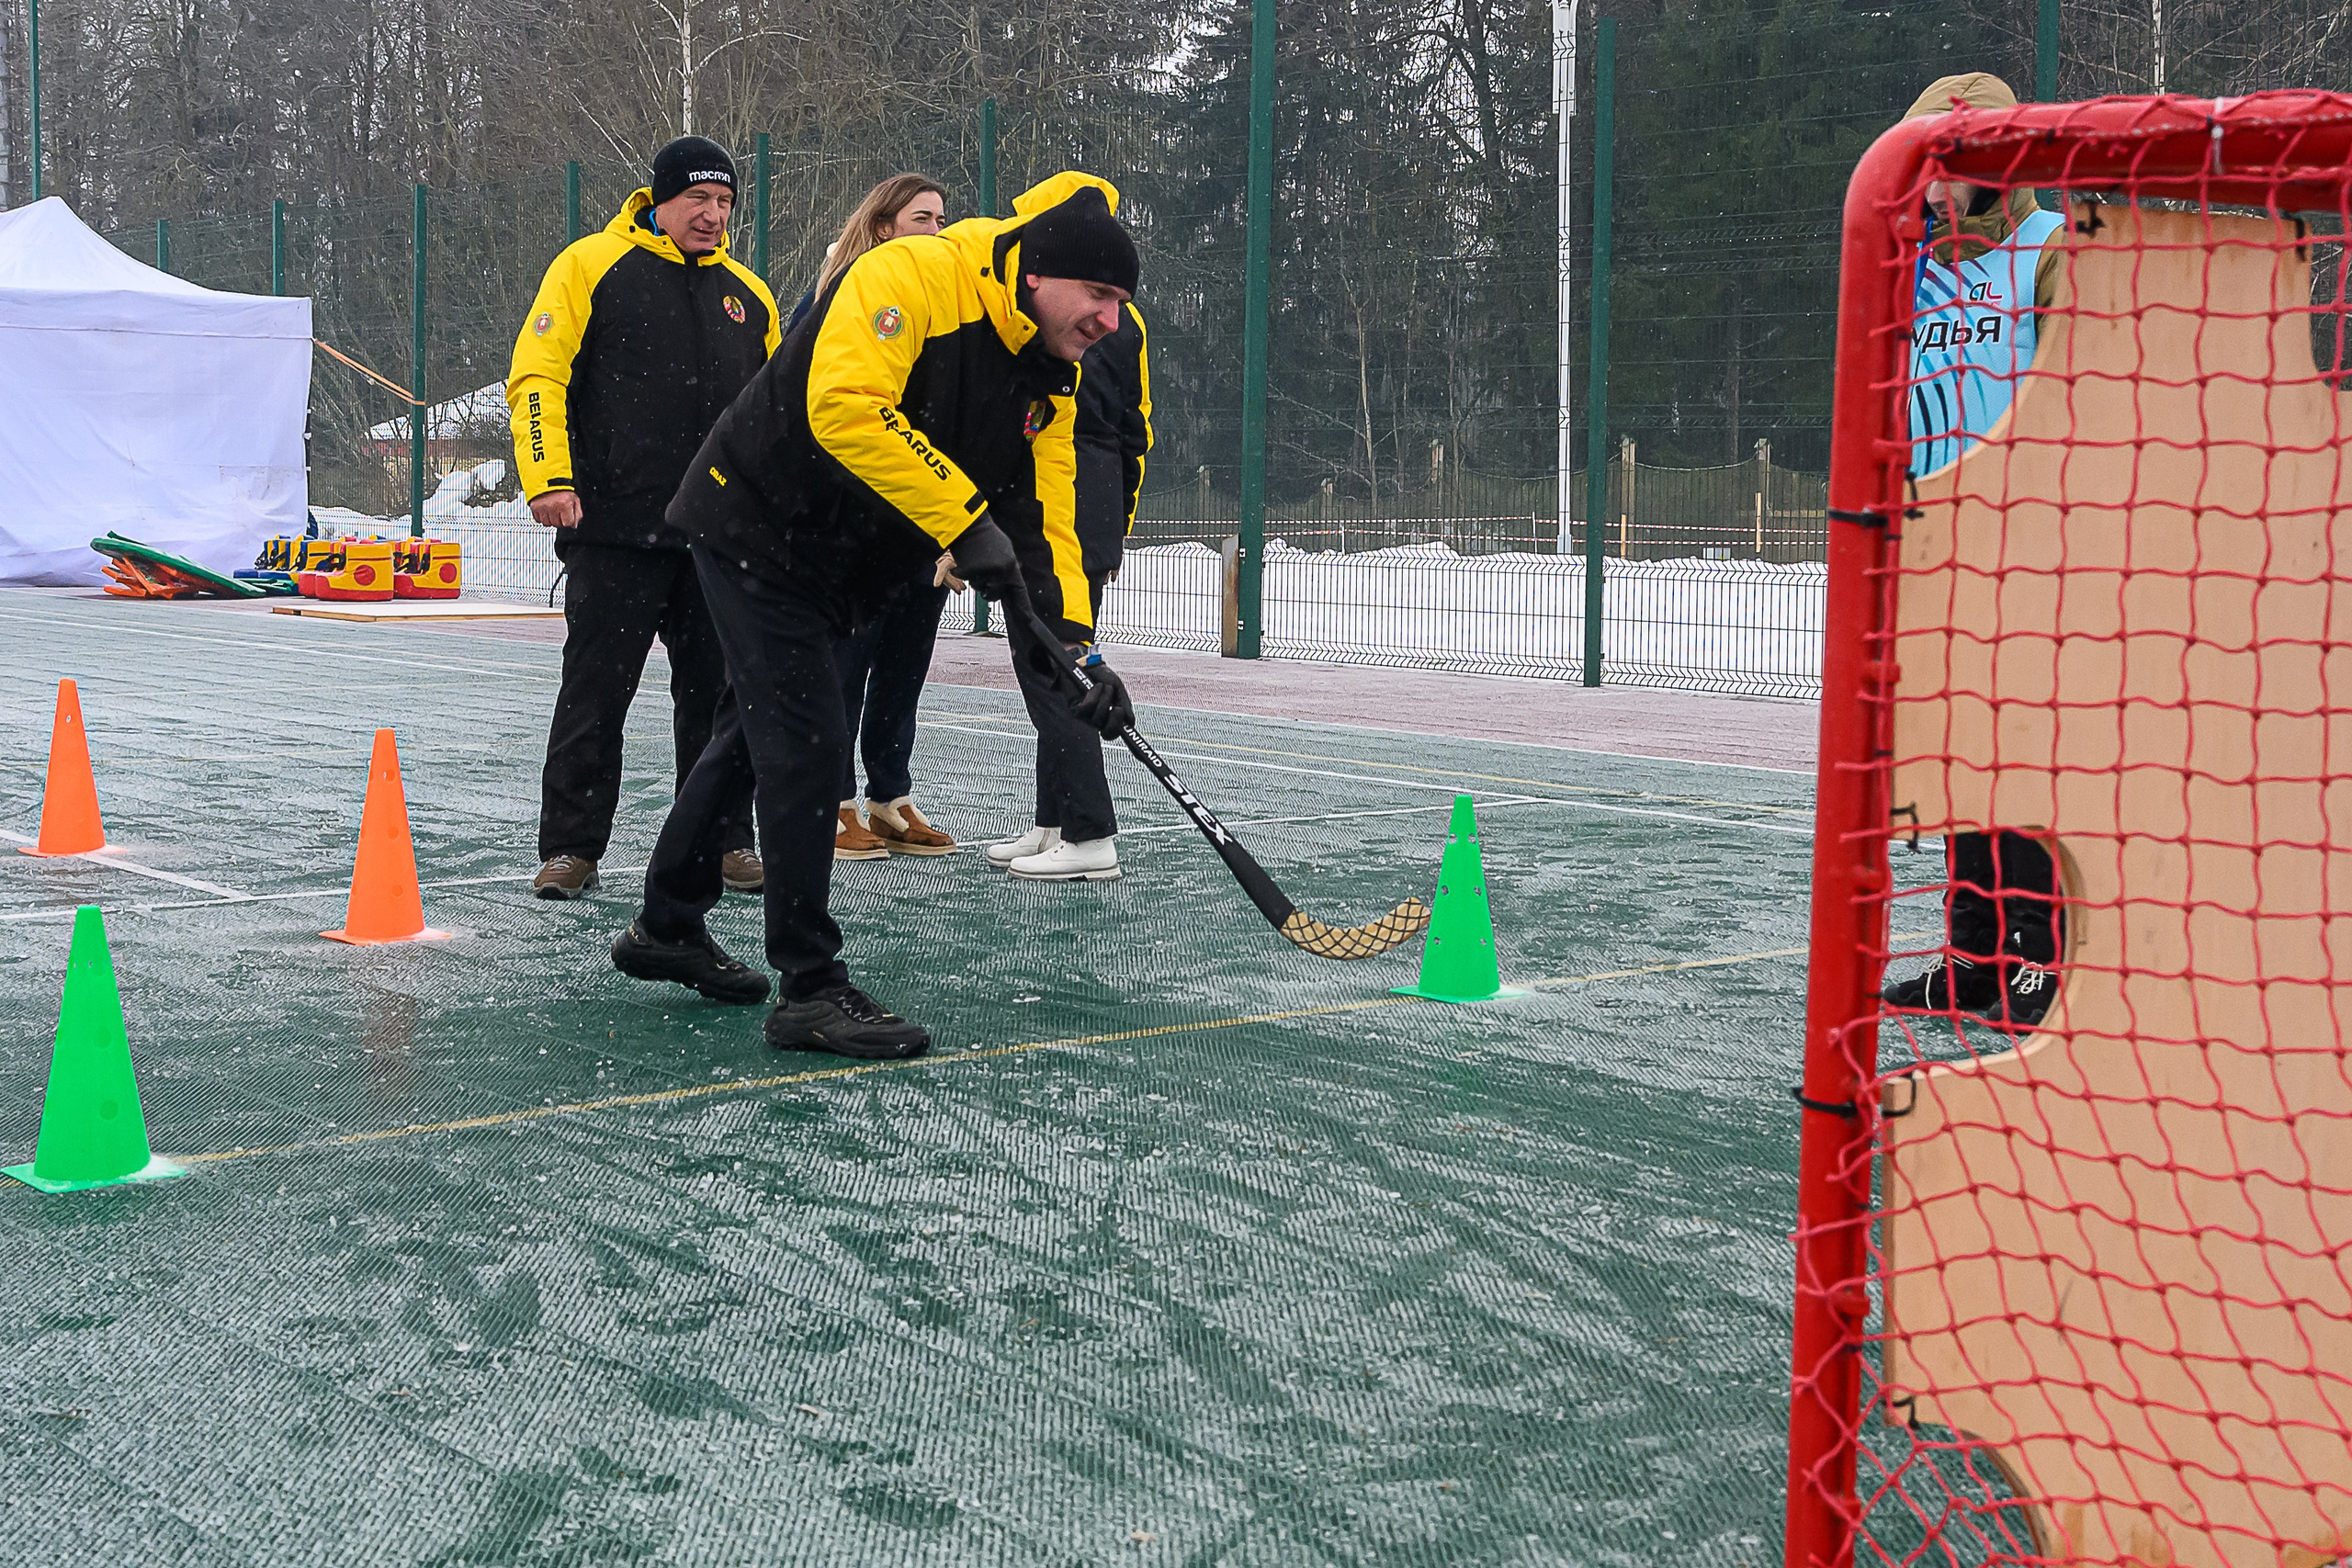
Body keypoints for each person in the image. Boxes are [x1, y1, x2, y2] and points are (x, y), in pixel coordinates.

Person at [606, 171, 1141, 1061]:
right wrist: (963, 519)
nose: (1110, 321)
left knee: (753, 736)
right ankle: (809, 989)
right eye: (1099, 296)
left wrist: (1074, 656)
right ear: (1042, 273)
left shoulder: (1051, 379)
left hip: (841, 562)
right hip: (758, 521)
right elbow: (844, 407)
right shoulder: (913, 278)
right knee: (811, 742)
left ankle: (665, 923)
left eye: (1122, 303)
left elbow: (1043, 534)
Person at [508, 136, 779, 901]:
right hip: (613, 531)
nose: (713, 215)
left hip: (713, 541)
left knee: (722, 702)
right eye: (698, 199)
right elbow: (537, 375)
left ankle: (726, 839)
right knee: (595, 695)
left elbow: (775, 417)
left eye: (725, 202)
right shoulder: (590, 265)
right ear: (658, 200)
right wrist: (548, 478)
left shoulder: (749, 296)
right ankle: (571, 848)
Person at [1877, 73, 2066, 1030]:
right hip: (1930, 540)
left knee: (2023, 759)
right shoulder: (1907, 262)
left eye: (1953, 162)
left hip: (2030, 545)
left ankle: (2037, 956)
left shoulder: (2048, 251)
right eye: (1928, 163)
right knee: (1959, 758)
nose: (1936, 182)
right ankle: (1972, 958)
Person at [792, 175, 964, 863]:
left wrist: (954, 525)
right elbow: (812, 406)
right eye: (921, 217)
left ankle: (889, 799)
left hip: (918, 523)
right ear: (884, 225)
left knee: (904, 665)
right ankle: (829, 807)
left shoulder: (945, 306)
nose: (936, 229)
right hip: (849, 523)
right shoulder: (837, 294)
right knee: (842, 669)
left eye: (943, 219)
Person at [986, 296, 1151, 879]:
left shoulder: (1042, 303)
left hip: (1053, 507)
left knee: (1054, 668)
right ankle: (1054, 821)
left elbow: (1020, 414)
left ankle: (1089, 833)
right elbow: (1137, 428)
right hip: (1090, 502)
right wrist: (1114, 526)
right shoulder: (1125, 317)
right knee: (1056, 662)